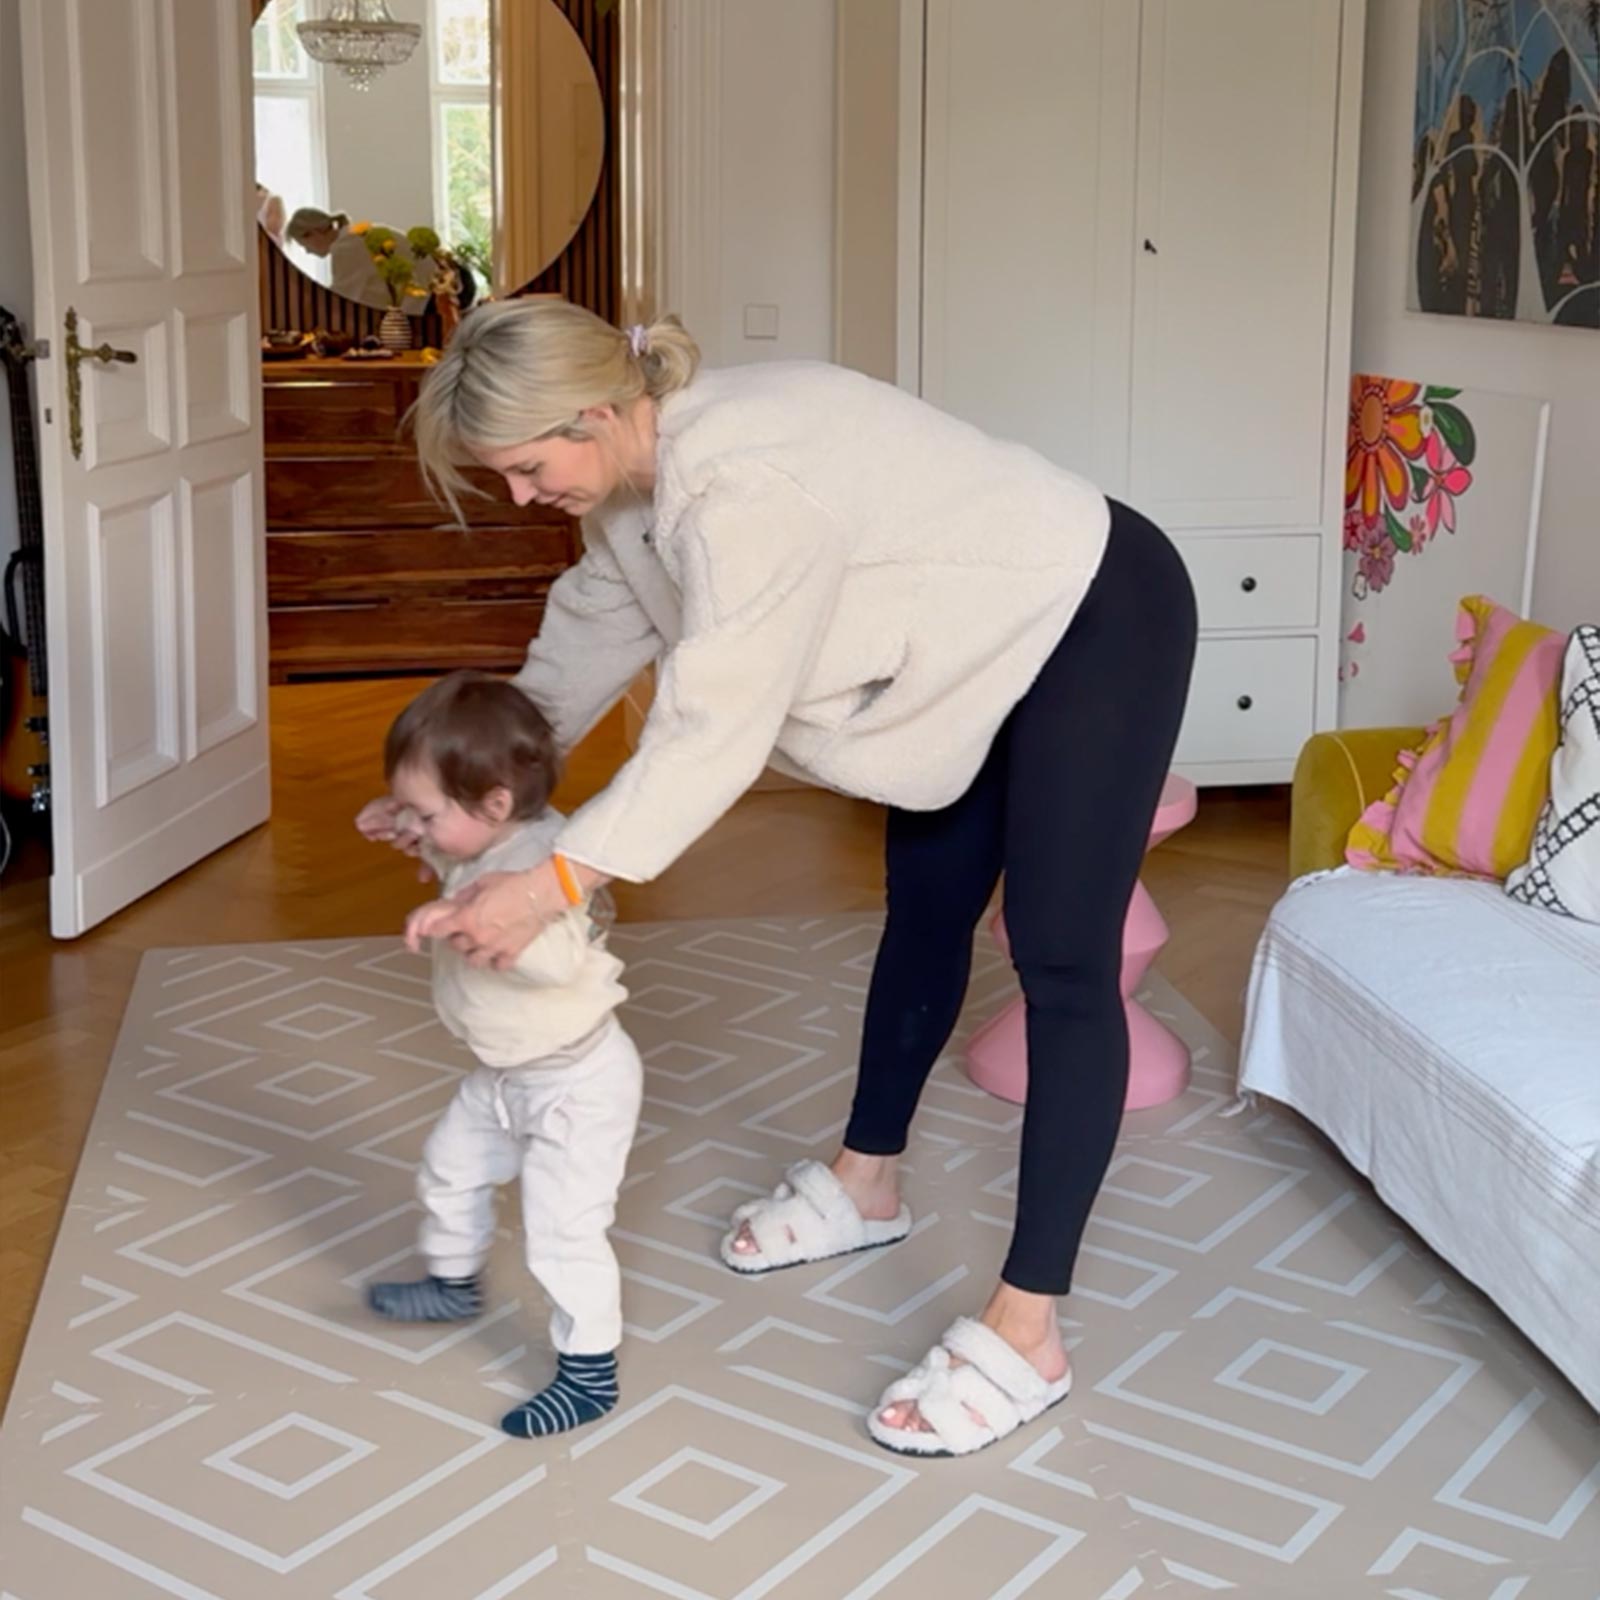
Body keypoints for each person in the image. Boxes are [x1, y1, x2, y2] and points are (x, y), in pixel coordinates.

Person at [358, 300, 1198, 1459]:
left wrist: (550, 880)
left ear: (594, 413)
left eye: (526, 467)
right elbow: (567, 664)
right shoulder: (626, 495)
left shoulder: (744, 489)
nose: (517, 495)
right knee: (927, 906)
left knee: (1060, 956)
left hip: (1091, 611)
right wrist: (452, 800)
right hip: (965, 647)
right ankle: (866, 1183)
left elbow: (712, 728)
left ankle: (1029, 1326)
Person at [358, 670, 643, 1440]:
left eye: (426, 811)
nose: (417, 823)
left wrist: (458, 916)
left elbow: (554, 960)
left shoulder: (546, 866)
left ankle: (589, 1370)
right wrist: (413, 830)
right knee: (448, 1168)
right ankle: (454, 1282)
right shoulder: (492, 835)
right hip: (506, 1073)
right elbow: (463, 856)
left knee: (564, 1231)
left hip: (577, 1083)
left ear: (492, 804)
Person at [285, 206, 437, 315]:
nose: (307, 251)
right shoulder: (354, 236)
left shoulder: (346, 247)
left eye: (304, 245)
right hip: (428, 293)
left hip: (427, 298)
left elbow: (340, 298)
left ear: (313, 233)